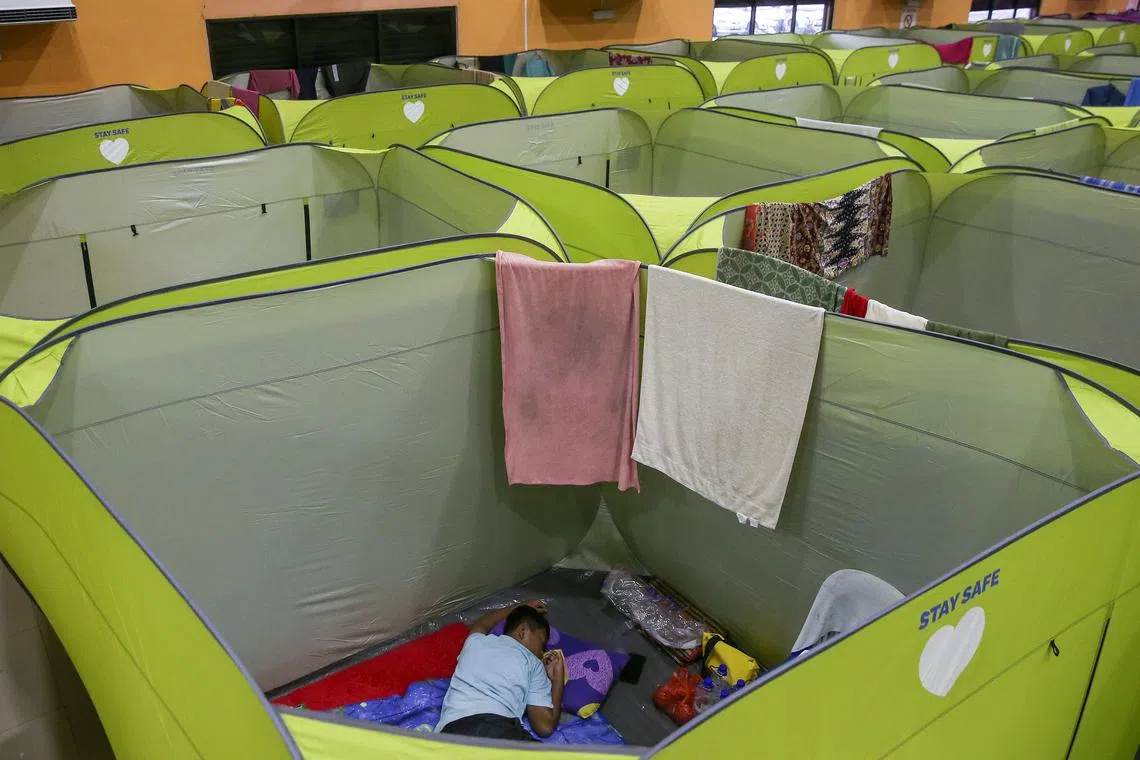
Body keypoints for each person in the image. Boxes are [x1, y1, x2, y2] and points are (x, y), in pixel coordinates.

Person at [436, 600, 565, 741]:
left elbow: (482, 623)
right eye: (541, 644)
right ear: (523, 631)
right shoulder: (532, 661)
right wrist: (557, 679)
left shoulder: (476, 642)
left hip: (448, 734)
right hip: (494, 728)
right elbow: (544, 726)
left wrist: (518, 607)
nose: (541, 653)